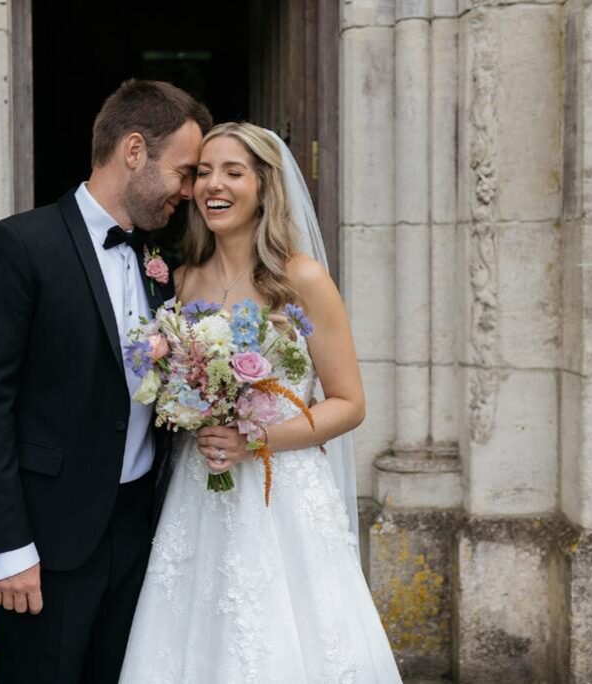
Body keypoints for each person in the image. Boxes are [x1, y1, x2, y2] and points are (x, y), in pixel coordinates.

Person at [119, 122, 403, 682]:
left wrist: (257, 439)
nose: (212, 185)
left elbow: (348, 403)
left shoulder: (301, 278)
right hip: (197, 494)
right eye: (202, 172)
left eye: (232, 172)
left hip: (283, 497)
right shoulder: (179, 283)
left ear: (265, 187)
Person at [0, 79, 212, 683]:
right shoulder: (19, 244)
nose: (191, 191)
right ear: (132, 150)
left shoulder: (158, 263)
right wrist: (7, 549)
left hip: (137, 529)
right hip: (47, 541)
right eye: (183, 171)